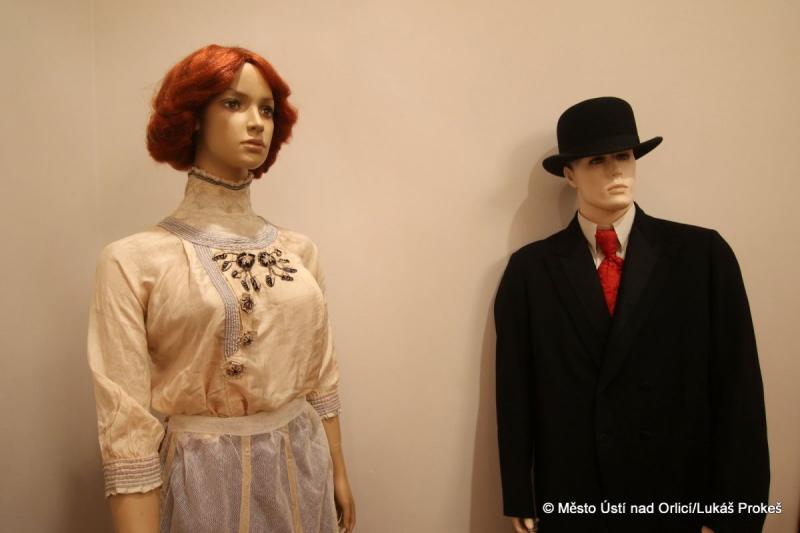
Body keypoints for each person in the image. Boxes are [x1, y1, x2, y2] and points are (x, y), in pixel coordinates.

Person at [87, 44, 356, 533]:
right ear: (192, 117)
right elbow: (125, 425)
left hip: (304, 467)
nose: (256, 123)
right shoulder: (133, 260)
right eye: (234, 103)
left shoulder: (300, 252)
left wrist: (337, 465)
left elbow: (321, 373)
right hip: (203, 484)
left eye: (267, 110)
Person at [495, 97, 769, 533]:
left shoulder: (702, 257)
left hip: (678, 493)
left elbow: (739, 388)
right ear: (569, 175)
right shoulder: (530, 271)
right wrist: (519, 491)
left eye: (623, 156)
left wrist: (736, 512)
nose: (615, 171)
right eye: (596, 160)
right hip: (576, 494)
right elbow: (515, 390)